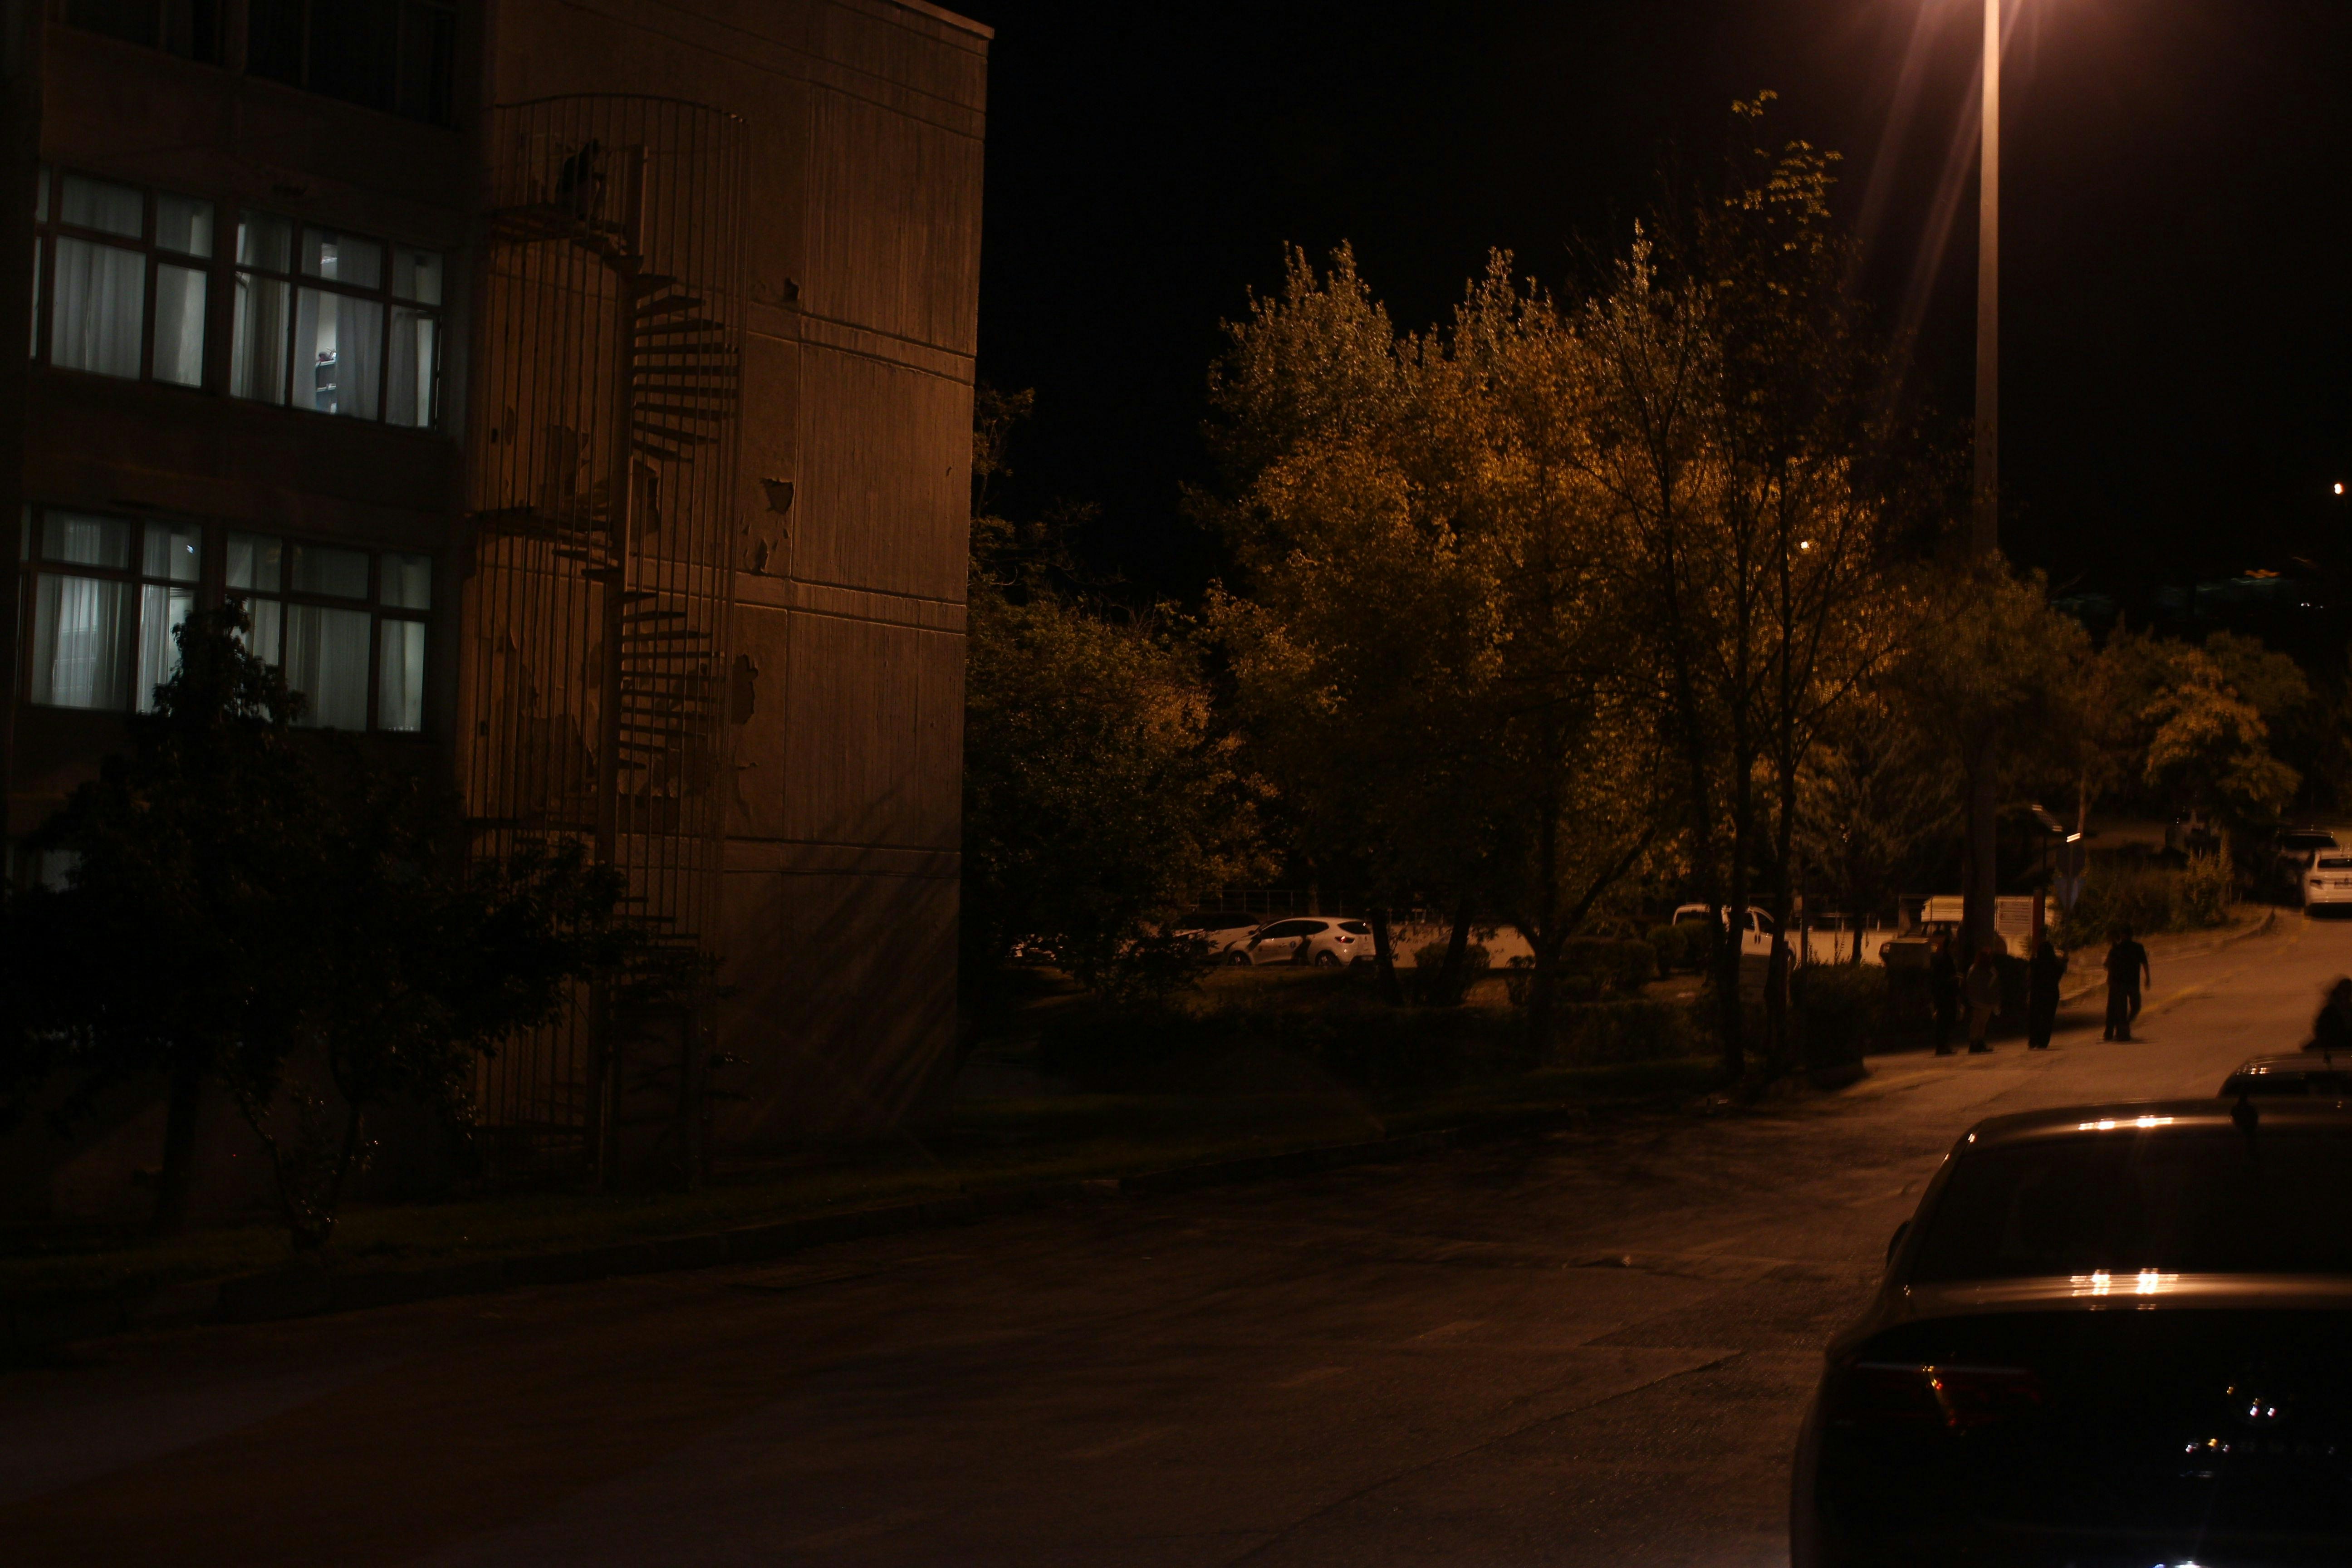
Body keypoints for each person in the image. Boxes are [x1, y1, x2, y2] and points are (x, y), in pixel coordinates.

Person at [2102, 924, 2151, 1042]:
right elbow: (2145, 963)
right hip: (2126, 983)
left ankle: (2123, 1028)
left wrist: (2148, 978)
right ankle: (2123, 1031)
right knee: (2132, 1007)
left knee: (2128, 1008)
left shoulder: (2127, 948)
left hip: (2125, 983)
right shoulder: (2122, 948)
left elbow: (2106, 965)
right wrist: (2148, 978)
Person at [2027, 936, 2068, 1050]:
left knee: (2035, 1017)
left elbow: (2029, 976)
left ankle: (2033, 1040)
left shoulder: (2035, 963)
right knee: (2048, 1019)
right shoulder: (2056, 964)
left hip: (2037, 993)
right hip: (2051, 993)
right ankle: (2043, 1042)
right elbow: (2060, 973)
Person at [1963, 944, 2003, 1054]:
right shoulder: (1989, 970)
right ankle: (1978, 1042)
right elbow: (1994, 985)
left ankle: (1975, 1043)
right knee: (1982, 1023)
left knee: (1977, 1022)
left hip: (1976, 1000)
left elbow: (1970, 984)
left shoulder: (1974, 969)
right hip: (1986, 1001)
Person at [1929, 933, 1960, 1056]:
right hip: (1945, 996)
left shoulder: (1948, 959)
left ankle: (1944, 1046)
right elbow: (1941, 979)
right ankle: (1942, 1046)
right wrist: (1953, 979)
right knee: (1944, 1022)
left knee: (1946, 1022)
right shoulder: (1945, 960)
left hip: (1946, 995)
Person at [2312, 978, 2352, 1055]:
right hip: (2334, 1049)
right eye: (2345, 991)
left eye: (2349, 992)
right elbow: (2321, 1031)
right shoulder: (2329, 1011)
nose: (2347, 995)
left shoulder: (2349, 1009)